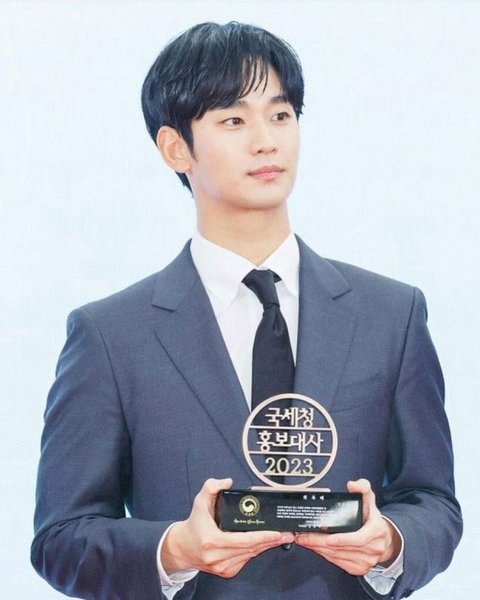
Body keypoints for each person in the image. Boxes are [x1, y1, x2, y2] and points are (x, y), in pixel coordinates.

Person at [31, 21, 462, 600]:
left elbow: (433, 501)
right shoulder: (111, 335)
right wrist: (173, 549)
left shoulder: (392, 314)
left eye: (280, 115)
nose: (266, 141)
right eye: (234, 120)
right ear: (176, 147)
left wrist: (390, 542)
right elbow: (61, 538)